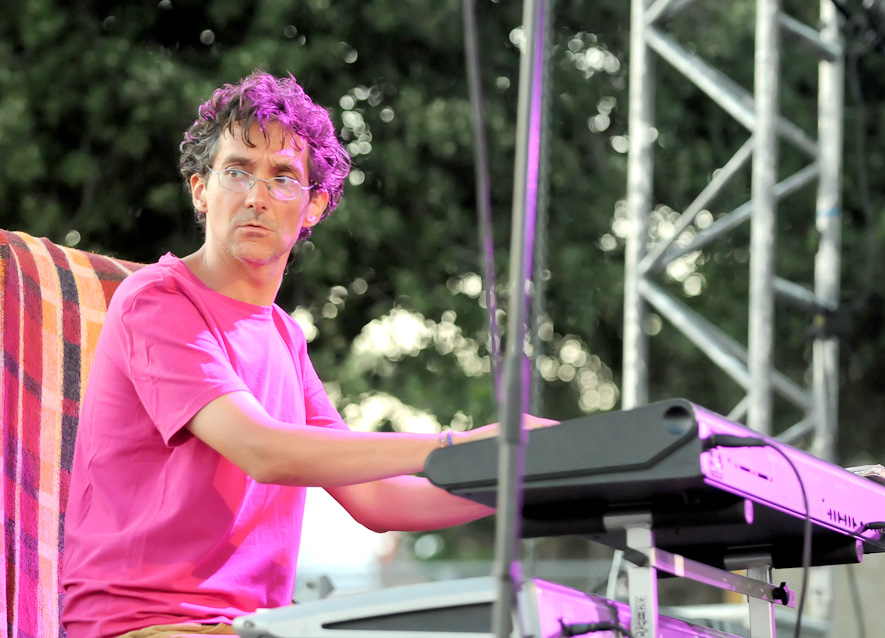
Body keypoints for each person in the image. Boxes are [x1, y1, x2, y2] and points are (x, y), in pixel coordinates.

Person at [61, 70, 551, 638]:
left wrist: (523, 478)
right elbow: (263, 450)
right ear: (200, 190)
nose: (256, 196)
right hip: (145, 626)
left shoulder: (284, 336)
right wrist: (461, 445)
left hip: (251, 628)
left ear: (314, 205)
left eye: (283, 178)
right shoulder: (156, 301)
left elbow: (376, 499)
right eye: (236, 171)